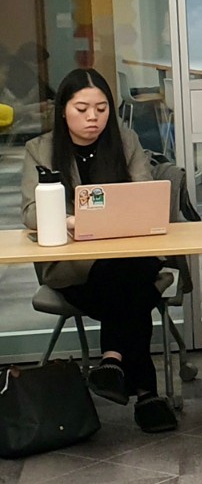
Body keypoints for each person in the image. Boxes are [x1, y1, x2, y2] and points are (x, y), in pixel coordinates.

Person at [20, 68, 178, 433]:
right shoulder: (40, 149)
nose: (93, 118)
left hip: (127, 257)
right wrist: (75, 222)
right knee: (134, 287)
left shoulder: (125, 141)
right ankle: (146, 393)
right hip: (75, 268)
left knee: (124, 273)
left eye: (102, 108)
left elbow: (146, 196)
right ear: (63, 109)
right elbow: (30, 212)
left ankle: (113, 362)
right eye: (82, 109)